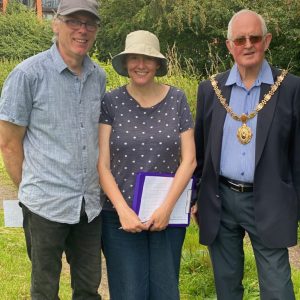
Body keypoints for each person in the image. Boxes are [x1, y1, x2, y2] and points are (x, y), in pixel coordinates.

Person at [0, 0, 106, 299]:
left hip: (89, 205)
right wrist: (33, 190)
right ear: (56, 23)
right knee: (45, 289)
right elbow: (8, 142)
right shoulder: (27, 75)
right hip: (45, 206)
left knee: (88, 287)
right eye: (74, 21)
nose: (82, 30)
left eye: (90, 23)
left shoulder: (98, 76)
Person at [193, 9, 300, 300]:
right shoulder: (210, 90)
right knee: (227, 286)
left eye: (254, 37)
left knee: (278, 289)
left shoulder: (290, 87)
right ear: (230, 46)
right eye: (240, 39)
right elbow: (199, 153)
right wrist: (194, 198)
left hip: (269, 198)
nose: (248, 44)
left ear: (267, 41)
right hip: (220, 199)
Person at [98, 30, 196, 300]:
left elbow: (189, 160)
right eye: (134, 58)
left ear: (158, 64)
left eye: (148, 58)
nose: (140, 65)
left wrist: (166, 208)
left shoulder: (177, 100)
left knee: (166, 290)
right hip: (119, 215)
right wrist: (122, 210)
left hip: (168, 213)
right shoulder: (111, 102)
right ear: (126, 63)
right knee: (129, 292)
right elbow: (102, 164)